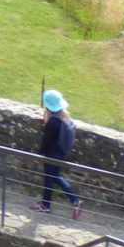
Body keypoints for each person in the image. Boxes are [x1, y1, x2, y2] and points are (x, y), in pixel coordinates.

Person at [38, 89, 82, 218]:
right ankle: (75, 201)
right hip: (60, 154)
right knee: (56, 177)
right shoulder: (64, 118)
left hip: (51, 154)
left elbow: (46, 141)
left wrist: (39, 154)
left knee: (49, 179)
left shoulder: (52, 122)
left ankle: (46, 206)